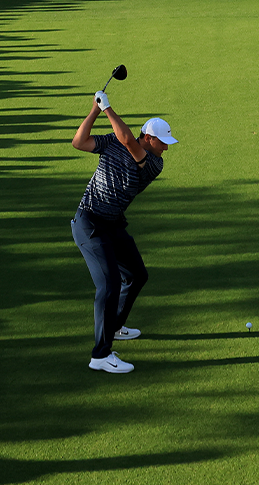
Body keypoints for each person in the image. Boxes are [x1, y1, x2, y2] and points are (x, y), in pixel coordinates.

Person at [69, 88, 177, 374]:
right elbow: (79, 142)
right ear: (149, 137)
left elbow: (128, 140)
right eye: (162, 142)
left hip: (112, 223)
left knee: (136, 275)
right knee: (109, 285)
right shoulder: (114, 143)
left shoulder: (153, 163)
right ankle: (100, 355)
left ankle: (114, 328)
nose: (166, 147)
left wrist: (108, 108)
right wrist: (95, 109)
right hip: (90, 223)